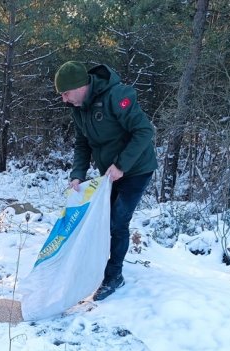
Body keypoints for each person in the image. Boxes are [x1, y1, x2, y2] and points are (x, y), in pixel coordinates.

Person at [54, 60, 157, 301]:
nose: (64, 100)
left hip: (136, 168)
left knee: (117, 221)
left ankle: (114, 277)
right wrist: (77, 174)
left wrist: (122, 165)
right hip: (110, 172)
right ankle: (100, 265)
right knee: (102, 220)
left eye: (66, 93)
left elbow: (144, 131)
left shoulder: (117, 96)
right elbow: (82, 144)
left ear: (81, 86)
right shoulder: (79, 108)